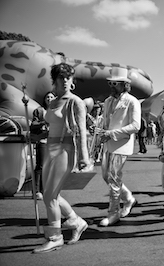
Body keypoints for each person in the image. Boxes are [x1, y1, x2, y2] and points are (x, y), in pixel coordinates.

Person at [32, 63, 91, 253]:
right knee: (51, 194)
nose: (65, 81)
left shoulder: (75, 102)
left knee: (49, 195)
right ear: (54, 80)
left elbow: (82, 131)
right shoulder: (53, 101)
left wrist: (84, 157)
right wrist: (34, 136)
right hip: (50, 148)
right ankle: (75, 221)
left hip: (64, 150)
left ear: (72, 81)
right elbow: (51, 128)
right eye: (61, 77)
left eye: (68, 77)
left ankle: (55, 237)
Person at [97, 67, 141, 227]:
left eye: (116, 83)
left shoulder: (132, 101)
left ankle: (113, 213)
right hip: (108, 143)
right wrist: (101, 131)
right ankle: (129, 198)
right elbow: (106, 121)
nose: (112, 86)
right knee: (106, 176)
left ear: (125, 85)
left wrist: (112, 133)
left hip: (122, 144)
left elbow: (136, 126)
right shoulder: (108, 101)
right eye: (110, 83)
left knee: (114, 178)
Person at [30, 91, 56, 200]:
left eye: (51, 97)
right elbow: (33, 125)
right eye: (47, 97)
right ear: (45, 99)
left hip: (54, 142)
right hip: (43, 141)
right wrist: (43, 122)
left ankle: (45, 189)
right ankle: (36, 191)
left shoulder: (57, 110)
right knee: (41, 166)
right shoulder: (40, 111)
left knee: (50, 167)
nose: (49, 99)